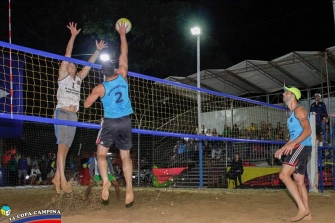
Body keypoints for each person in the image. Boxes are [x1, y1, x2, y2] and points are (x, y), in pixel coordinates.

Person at [53, 22, 108, 194]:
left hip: (73, 116)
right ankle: (62, 179)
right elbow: (67, 54)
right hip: (62, 112)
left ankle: (57, 177)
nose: (71, 65)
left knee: (66, 148)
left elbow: (89, 65)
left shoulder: (78, 79)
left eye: (73, 65)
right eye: (68, 64)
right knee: (61, 147)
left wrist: (98, 50)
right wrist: (73, 36)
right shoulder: (63, 77)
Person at [84, 22, 134, 207]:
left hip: (110, 123)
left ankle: (105, 181)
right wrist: (122, 34)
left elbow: (87, 105)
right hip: (126, 121)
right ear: (113, 69)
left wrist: (94, 93)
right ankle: (129, 187)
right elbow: (124, 53)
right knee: (125, 157)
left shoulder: (100, 87)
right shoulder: (122, 74)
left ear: (102, 74)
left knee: (101, 155)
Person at [275, 86, 312, 222]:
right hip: (299, 146)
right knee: (299, 182)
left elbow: (308, 131)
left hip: (301, 146)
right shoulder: (290, 114)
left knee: (284, 175)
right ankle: (307, 215)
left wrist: (292, 144)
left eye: (286, 92)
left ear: (293, 95)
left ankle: (302, 209)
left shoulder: (300, 111)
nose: (284, 94)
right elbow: (292, 136)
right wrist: (283, 148)